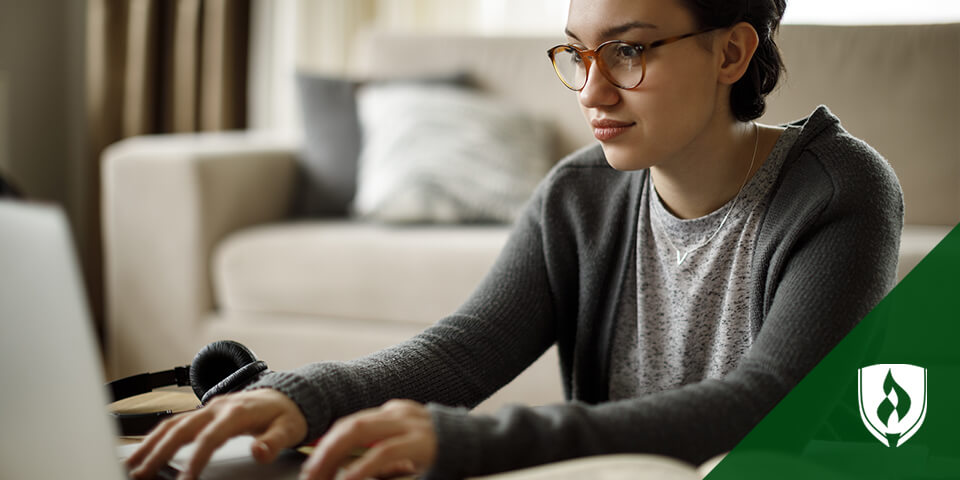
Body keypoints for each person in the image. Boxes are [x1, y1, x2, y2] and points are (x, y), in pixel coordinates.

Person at [126, 0, 903, 478]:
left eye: (630, 51)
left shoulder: (841, 191)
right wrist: (300, 397)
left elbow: (766, 404)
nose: (593, 89)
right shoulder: (579, 195)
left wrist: (462, 442)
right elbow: (463, 350)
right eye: (578, 51)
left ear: (731, 52)